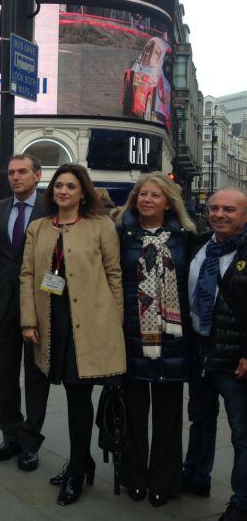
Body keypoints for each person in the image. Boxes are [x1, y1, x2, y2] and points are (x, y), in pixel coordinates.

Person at [20, 162, 125, 506]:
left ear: (83, 193)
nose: (63, 191)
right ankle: (85, 461)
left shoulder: (101, 226)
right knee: (64, 391)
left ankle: (77, 470)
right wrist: (28, 320)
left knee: (79, 398)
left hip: (90, 323)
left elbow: (114, 275)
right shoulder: (38, 227)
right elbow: (27, 275)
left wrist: (114, 323)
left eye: (70, 186)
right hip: (52, 321)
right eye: (58, 186)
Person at [114, 173, 196, 507]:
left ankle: (164, 481)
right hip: (132, 335)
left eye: (155, 195)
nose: (147, 200)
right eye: (142, 194)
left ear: (168, 201)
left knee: (168, 413)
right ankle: (134, 477)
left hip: (173, 336)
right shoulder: (121, 234)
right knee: (133, 411)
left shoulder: (187, 237)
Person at [183, 188, 247, 521]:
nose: (220, 214)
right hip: (200, 348)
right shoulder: (200, 244)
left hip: (236, 358)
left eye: (230, 210)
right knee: (201, 419)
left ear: (245, 216)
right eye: (215, 208)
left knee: (241, 432)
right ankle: (195, 475)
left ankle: (242, 501)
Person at [0, 154, 50, 471]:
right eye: (11, 172)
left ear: (37, 176)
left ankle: (30, 441)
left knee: (36, 376)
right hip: (3, 304)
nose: (15, 177)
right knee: (2, 375)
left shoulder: (51, 210)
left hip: (40, 304)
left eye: (22, 172)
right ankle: (10, 435)